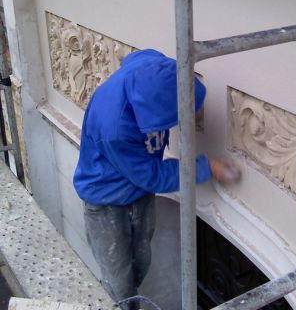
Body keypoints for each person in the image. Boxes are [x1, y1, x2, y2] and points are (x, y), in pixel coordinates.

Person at [73, 49, 239, 308]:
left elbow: (140, 61)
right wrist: (206, 167)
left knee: (141, 262)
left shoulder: (150, 65)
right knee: (120, 283)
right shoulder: (114, 128)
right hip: (107, 202)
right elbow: (151, 175)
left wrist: (188, 106)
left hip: (138, 193)